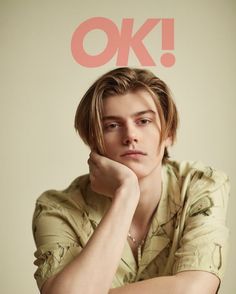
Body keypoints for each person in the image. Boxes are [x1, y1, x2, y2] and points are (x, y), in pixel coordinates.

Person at [32, 67, 230, 294]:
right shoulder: (57, 209)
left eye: (144, 121)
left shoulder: (201, 184)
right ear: (93, 140)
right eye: (112, 126)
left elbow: (194, 290)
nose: (130, 136)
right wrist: (126, 193)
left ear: (169, 132)